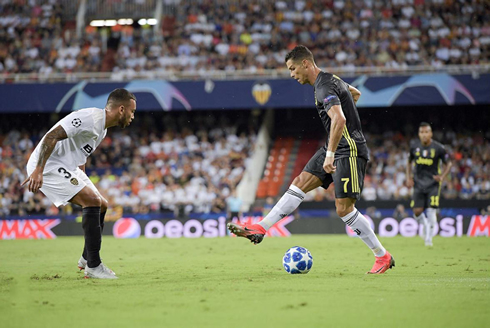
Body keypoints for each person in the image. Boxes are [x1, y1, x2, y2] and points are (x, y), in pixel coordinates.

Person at [228, 45, 394, 274]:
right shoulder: (331, 79)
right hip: (337, 145)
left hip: (349, 150)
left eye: (293, 69)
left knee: (344, 210)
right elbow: (355, 94)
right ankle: (260, 228)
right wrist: (345, 116)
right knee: (299, 183)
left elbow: (339, 120)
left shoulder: (323, 86)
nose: (292, 75)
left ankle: (382, 256)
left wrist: (331, 153)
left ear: (306, 63)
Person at [22, 89, 137, 279]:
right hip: (48, 163)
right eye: (132, 111)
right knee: (91, 201)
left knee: (102, 204)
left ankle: (86, 257)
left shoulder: (103, 129)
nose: (133, 116)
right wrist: (38, 169)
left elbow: (80, 154)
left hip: (67, 165)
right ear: (122, 109)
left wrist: (82, 181)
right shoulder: (90, 118)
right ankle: (94, 266)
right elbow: (52, 136)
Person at [406, 122, 452, 247]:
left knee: (431, 210)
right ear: (419, 134)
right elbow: (409, 162)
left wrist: (442, 176)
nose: (424, 135)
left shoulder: (439, 148)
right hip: (418, 183)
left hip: (433, 184)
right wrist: (408, 177)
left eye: (426, 132)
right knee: (416, 211)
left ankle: (428, 239)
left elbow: (448, 164)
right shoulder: (414, 147)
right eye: (422, 132)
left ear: (431, 133)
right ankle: (425, 226)